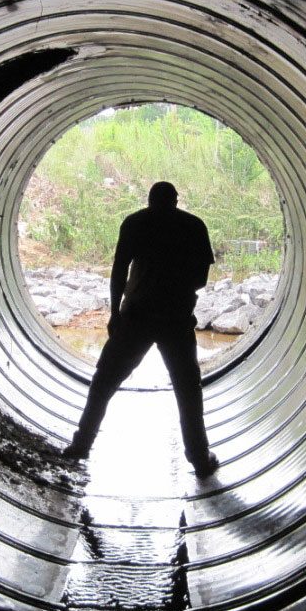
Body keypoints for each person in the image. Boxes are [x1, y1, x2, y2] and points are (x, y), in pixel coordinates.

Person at [62, 181, 220, 478]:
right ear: (176, 200)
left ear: (149, 200)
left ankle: (81, 444)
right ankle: (199, 458)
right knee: (187, 390)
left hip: (137, 316)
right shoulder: (193, 225)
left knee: (104, 382)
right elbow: (200, 279)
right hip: (176, 318)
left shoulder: (136, 222)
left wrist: (113, 313)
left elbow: (119, 270)